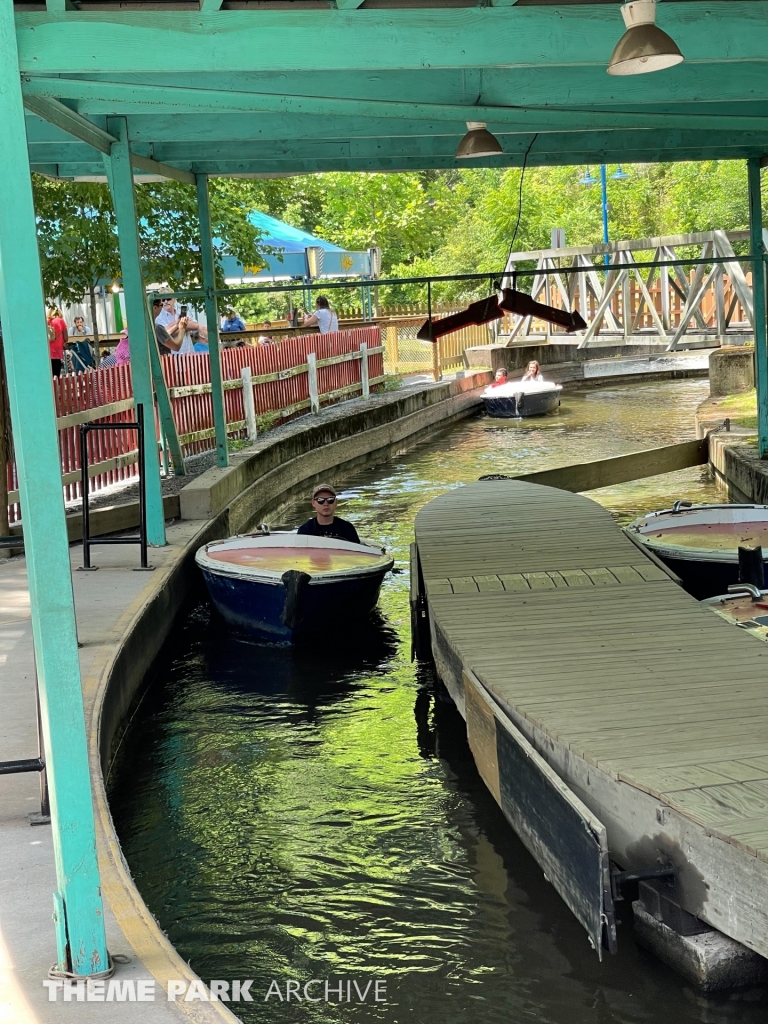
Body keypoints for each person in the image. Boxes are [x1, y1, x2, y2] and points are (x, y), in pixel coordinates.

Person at [46, 307, 68, 376]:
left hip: (47, 349)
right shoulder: (60, 321)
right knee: (56, 370)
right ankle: (56, 384)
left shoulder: (46, 321)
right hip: (57, 349)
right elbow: (66, 338)